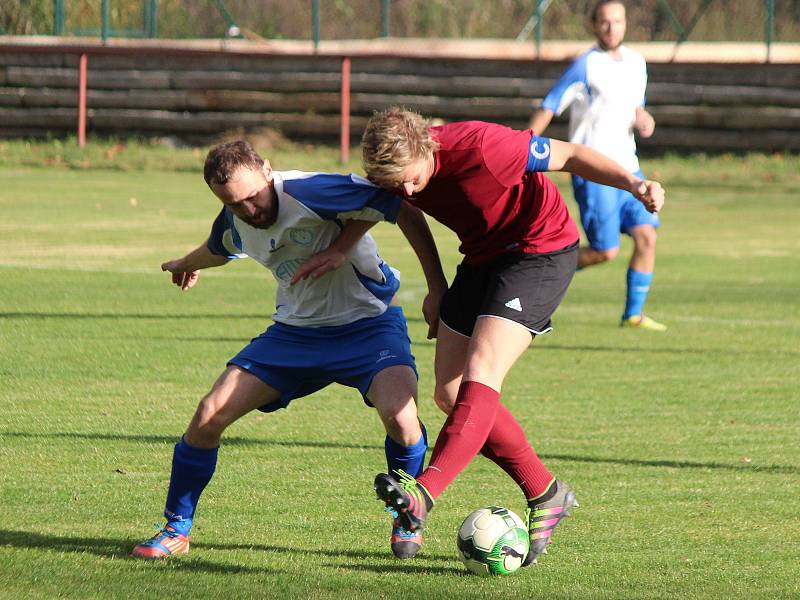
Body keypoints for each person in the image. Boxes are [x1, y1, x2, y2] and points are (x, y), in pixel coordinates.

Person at [358, 107, 664, 566]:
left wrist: (635, 185)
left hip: (540, 251)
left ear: (427, 148)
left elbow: (574, 155)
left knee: (483, 371)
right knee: (450, 392)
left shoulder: (484, 146)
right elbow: (405, 212)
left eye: (411, 178)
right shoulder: (396, 180)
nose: (405, 188)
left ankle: (423, 495)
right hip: (482, 258)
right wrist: (437, 287)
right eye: (392, 182)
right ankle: (548, 493)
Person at [131, 140, 446, 561]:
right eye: (234, 204)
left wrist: (435, 287)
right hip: (295, 335)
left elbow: (396, 202)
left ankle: (406, 514)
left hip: (369, 326)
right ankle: (175, 529)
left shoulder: (312, 191)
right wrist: (187, 263)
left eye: (252, 197)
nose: (249, 210)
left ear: (267, 170)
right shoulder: (236, 219)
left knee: (402, 420)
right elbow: (220, 247)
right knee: (208, 417)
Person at [530, 0, 665, 331]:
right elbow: (551, 104)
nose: (612, 27)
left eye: (618, 21)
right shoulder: (585, 65)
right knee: (606, 251)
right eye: (605, 22)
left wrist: (644, 120)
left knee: (647, 236)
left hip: (630, 168)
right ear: (593, 26)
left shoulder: (637, 62)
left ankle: (633, 315)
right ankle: (539, 267)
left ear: (625, 23)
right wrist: (522, 145)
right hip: (595, 172)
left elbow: (636, 107)